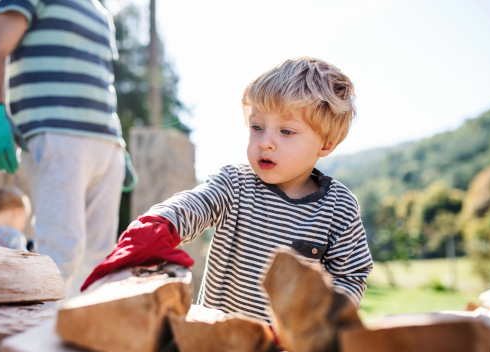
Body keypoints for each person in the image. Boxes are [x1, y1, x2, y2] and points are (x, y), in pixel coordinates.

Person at [82, 57, 374, 323]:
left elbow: (351, 276)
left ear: (325, 144)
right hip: (215, 342)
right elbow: (196, 204)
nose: (265, 142)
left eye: (286, 131)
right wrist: (159, 225)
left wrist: (328, 319)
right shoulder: (235, 183)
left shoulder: (339, 208)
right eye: (257, 127)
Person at [0, 0, 131, 297]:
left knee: (99, 264)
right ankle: (37, 341)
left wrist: (119, 146)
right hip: (57, 137)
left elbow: (100, 80)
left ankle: (80, 338)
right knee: (60, 256)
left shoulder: (101, 10)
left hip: (107, 149)